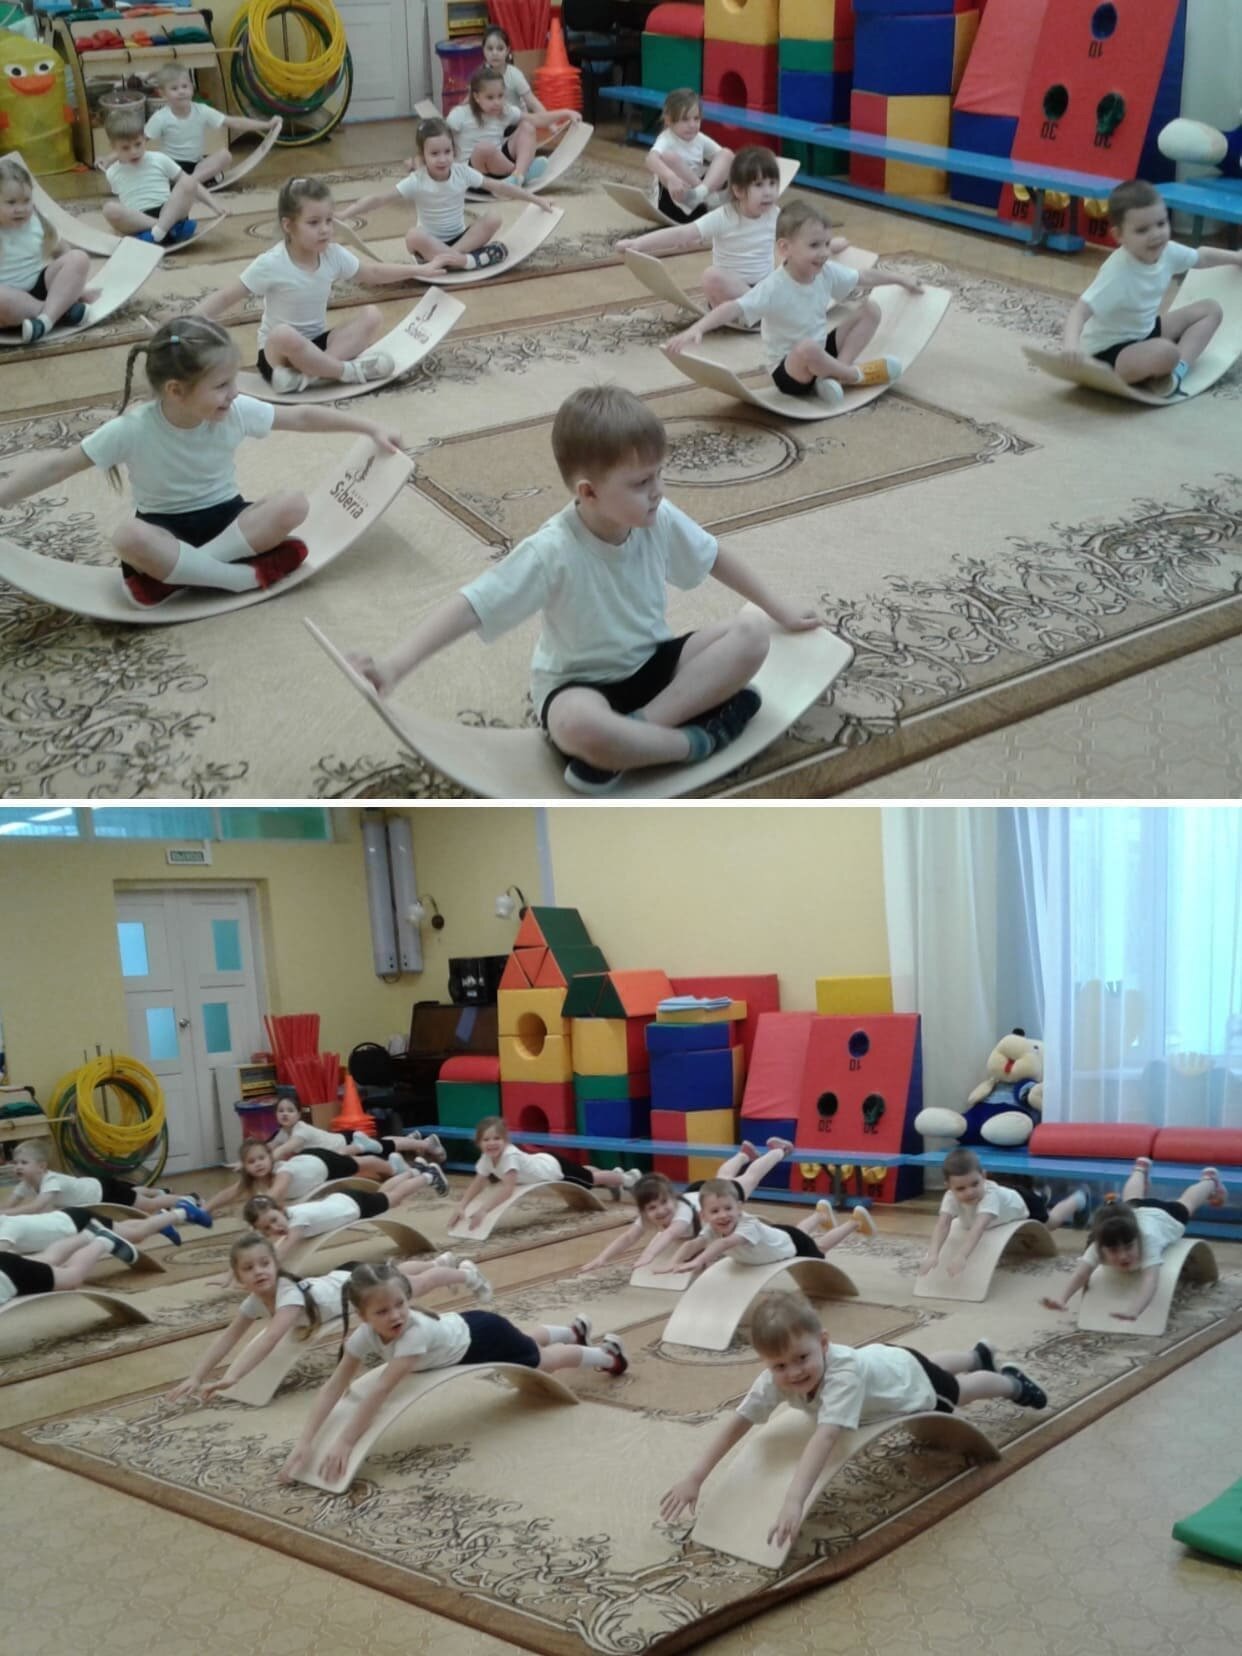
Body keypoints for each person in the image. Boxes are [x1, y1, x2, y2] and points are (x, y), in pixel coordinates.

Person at [347, 383, 823, 794]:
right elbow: (473, 606)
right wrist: (393, 665)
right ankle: (695, 740)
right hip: (581, 687)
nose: (658, 490)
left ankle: (635, 737)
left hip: (654, 665)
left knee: (752, 634)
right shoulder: (551, 550)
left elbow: (713, 555)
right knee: (577, 726)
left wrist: (777, 609)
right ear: (588, 492)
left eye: (659, 473)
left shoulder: (658, 516)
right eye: (641, 482)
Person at [0, 316, 401, 608]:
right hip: (165, 532)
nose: (234, 392)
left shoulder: (235, 410)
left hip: (228, 521)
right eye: (222, 385)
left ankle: (183, 576)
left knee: (293, 504)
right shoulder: (133, 428)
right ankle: (236, 577)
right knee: (127, 538)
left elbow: (301, 417)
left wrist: (369, 427)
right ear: (176, 391)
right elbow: (57, 466)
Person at [659, 1290, 1047, 1549]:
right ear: (766, 1363)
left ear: (824, 1342)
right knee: (931, 1365)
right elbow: (739, 1420)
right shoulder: (775, 1378)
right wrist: (696, 1477)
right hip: (891, 1361)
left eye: (802, 1358)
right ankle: (977, 1354)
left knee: (958, 1391)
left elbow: (826, 1437)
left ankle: (1012, 1383)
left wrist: (794, 1500)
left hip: (904, 1383)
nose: (794, 1372)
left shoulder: (842, 1377)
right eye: (779, 1365)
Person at [278, 1260, 628, 1487]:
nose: (395, 1315)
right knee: (526, 1343)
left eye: (400, 1304)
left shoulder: (413, 1335)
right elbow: (334, 1386)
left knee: (542, 1361)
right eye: (382, 1311)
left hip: (483, 1337)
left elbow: (381, 1392)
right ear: (363, 1316)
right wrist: (306, 1441)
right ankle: (572, 1331)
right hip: (470, 1327)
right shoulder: (364, 1336)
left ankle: (606, 1355)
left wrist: (345, 1441)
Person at [166, 1232, 493, 1403]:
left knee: (414, 1285)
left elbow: (271, 1338)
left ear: (276, 1264)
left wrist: (234, 1376)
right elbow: (229, 1336)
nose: (259, 1271)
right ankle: (439, 1262)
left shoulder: (288, 1296)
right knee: (395, 1273)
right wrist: (197, 1376)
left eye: (265, 1263)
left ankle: (466, 1274)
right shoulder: (256, 1301)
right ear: (239, 1278)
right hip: (342, 1279)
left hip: (351, 1288)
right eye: (249, 1268)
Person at [667, 198, 922, 403]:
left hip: (819, 350)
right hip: (790, 370)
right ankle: (854, 375)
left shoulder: (825, 271)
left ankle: (833, 376)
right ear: (785, 248)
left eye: (826, 244)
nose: (824, 252)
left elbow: (863, 276)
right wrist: (697, 328)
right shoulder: (773, 287)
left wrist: (901, 279)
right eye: (814, 245)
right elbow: (732, 308)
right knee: (807, 348)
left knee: (870, 309)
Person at [195, 176, 418, 395]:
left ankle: (311, 375)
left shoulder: (333, 254)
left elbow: (372, 273)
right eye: (314, 223)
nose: (325, 229)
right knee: (284, 334)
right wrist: (186, 324)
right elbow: (226, 297)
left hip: (315, 346)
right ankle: (347, 371)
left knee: (372, 316)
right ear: (288, 225)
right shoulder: (272, 263)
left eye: (329, 220)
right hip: (277, 357)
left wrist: (418, 270)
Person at [1060, 178, 1242, 397]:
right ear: (1119, 236)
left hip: (1145, 332)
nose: (1155, 234)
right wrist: (1071, 345)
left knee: (1211, 310)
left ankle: (1175, 375)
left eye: (1161, 223)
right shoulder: (1118, 271)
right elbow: (1080, 311)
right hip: (1109, 353)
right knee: (1166, 352)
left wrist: (1236, 258)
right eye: (1142, 230)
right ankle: (1159, 368)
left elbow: (1201, 257)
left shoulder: (1168, 251)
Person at [618, 146, 847, 310]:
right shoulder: (724, 217)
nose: (768, 192)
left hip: (764, 288)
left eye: (772, 184)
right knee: (711, 277)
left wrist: (829, 246)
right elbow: (682, 233)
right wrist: (638, 244)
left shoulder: (775, 214)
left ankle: (762, 309)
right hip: (731, 292)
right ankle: (763, 311)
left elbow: (800, 240)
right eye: (759, 185)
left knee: (794, 262)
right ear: (738, 191)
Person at [350, 114, 553, 278]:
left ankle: (452, 260)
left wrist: (537, 200)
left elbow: (500, 187)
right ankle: (466, 261)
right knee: (413, 235)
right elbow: (380, 199)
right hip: (429, 246)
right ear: (423, 156)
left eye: (447, 152)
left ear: (454, 151)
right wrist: (345, 213)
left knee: (494, 217)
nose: (442, 159)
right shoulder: (417, 180)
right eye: (434, 154)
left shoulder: (461, 172)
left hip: (461, 241)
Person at [1040, 1159, 1225, 1321]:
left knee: (1188, 1202)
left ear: (1137, 1240)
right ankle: (1140, 1169)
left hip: (1166, 1216)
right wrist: (1062, 1299)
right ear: (1102, 1248)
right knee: (1131, 1199)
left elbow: (1151, 1280)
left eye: (1129, 1247)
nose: (1123, 1256)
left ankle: (1209, 1181)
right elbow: (1080, 1274)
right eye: (1114, 1250)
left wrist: (1134, 1310)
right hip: (1135, 1211)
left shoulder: (1148, 1240)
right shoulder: (1099, 1243)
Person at [577, 1139, 796, 1274]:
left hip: (714, 1202)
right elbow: (628, 1237)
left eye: (664, 1203)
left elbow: (670, 1234)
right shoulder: (647, 1216)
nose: (661, 1211)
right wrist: (602, 1257)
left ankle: (780, 1150)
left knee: (750, 1178)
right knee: (724, 1175)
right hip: (703, 1195)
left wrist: (648, 1255)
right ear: (644, 1212)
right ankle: (744, 1154)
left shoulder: (681, 1212)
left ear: (673, 1198)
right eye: (652, 1208)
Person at [448, 1115, 643, 1232]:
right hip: (544, 1161)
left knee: (590, 1179)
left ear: (505, 1140)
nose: (491, 1143)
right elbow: (478, 1182)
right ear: (478, 1143)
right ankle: (614, 1175)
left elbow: (507, 1189)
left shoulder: (509, 1156)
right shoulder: (486, 1158)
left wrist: (484, 1210)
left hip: (553, 1170)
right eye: (486, 1140)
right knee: (583, 1172)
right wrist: (462, 1205)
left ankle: (628, 1178)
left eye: (496, 1138)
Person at [919, 1146, 1089, 1279]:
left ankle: (1079, 1198)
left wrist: (962, 1256)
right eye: (961, 1189)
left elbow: (978, 1227)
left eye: (974, 1184)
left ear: (984, 1176)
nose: (969, 1192)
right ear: (948, 1187)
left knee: (1051, 1222)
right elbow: (943, 1225)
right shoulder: (950, 1196)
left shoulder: (989, 1196)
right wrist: (933, 1254)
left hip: (1023, 1201)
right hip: (1004, 1199)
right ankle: (1042, 1194)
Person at [654, 1177, 875, 1278]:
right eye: (715, 1211)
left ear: (739, 1207)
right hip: (778, 1236)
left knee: (820, 1246)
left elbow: (725, 1243)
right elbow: (694, 1244)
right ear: (703, 1216)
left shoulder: (746, 1225)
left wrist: (698, 1261)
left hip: (791, 1246)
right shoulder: (712, 1228)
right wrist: (672, 1262)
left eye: (728, 1208)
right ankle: (820, 1215)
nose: (723, 1215)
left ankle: (855, 1222)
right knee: (798, 1230)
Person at [0, 1138, 213, 1229]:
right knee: (135, 1193)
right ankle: (156, 1191)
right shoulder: (25, 1183)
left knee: (148, 1206)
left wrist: (6, 1214)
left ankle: (189, 1199)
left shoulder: (51, 1180)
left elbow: (36, 1207)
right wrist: (4, 1213)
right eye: (16, 1163)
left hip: (103, 1191)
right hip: (97, 1188)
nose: (18, 1167)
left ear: (41, 1166)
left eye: (24, 1163)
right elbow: (10, 1205)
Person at [243, 1184, 464, 1266]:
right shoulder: (290, 1216)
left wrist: (264, 1264)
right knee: (385, 1194)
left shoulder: (297, 1223)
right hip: (341, 1199)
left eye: (274, 1221)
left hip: (353, 1206)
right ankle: (412, 1172)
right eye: (267, 1229)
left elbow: (284, 1250)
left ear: (281, 1209)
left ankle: (426, 1176)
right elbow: (271, 1240)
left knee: (393, 1198)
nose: (275, 1229)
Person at [0, 156, 93, 343]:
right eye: (11, 202)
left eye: (26, 201)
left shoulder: (37, 221)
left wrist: (76, 288)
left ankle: (44, 321)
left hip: (38, 286)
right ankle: (59, 312)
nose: (20, 208)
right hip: (8, 303)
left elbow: (63, 252)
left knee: (78, 258)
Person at [142, 63, 279, 187]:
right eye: (174, 88)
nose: (181, 91)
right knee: (156, 163)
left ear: (192, 88)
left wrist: (266, 125)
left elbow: (233, 122)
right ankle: (191, 182)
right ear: (162, 93)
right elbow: (140, 141)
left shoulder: (202, 110)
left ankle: (188, 183)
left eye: (185, 86)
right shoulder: (160, 117)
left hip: (196, 166)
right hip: (172, 168)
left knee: (225, 155)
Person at [99, 106, 219, 245]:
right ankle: (166, 229)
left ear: (144, 139)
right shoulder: (112, 172)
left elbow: (191, 185)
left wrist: (215, 205)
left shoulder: (159, 159)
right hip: (140, 222)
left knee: (188, 181)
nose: (134, 151)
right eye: (125, 148)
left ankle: (160, 230)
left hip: (170, 212)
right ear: (113, 147)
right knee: (109, 209)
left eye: (138, 144)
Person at [447, 65, 579, 190]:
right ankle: (522, 174)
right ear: (476, 97)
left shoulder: (504, 111)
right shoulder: (460, 114)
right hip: (475, 174)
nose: (497, 102)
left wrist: (566, 113)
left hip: (499, 168)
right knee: (484, 148)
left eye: (500, 96)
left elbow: (536, 119)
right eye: (490, 98)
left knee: (527, 126)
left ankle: (517, 175)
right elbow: (443, 138)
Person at [203, 1136, 408, 1215]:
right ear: (245, 1167)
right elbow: (228, 1193)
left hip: (322, 1163)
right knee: (355, 1163)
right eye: (251, 1162)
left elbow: (276, 1193)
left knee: (360, 1164)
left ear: (270, 1158)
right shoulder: (252, 1180)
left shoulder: (282, 1172)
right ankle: (360, 1146)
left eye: (261, 1158)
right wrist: (205, 1209)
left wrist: (257, 1210)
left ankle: (392, 1167)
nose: (258, 1164)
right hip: (306, 1161)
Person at [267, 1093, 446, 1166]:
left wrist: (261, 1164)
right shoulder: (283, 1133)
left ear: (299, 1114)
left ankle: (427, 1143)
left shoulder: (300, 1131)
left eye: (290, 1110)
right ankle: (412, 1140)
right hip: (341, 1143)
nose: (285, 1114)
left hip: (348, 1142)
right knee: (383, 1144)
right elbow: (269, 1147)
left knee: (385, 1146)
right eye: (280, 1111)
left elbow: (282, 1150)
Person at [1, 1226, 147, 1309]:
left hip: (9, 1274)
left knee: (72, 1277)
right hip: (6, 1266)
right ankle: (88, 1235)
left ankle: (103, 1242)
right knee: (49, 1258)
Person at [646, 88, 733, 224]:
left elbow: (727, 160)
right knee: (668, 157)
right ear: (668, 120)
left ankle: (702, 194)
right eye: (685, 119)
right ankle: (704, 196)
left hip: (699, 205)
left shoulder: (699, 138)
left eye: (696, 118)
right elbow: (650, 159)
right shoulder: (666, 138)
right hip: (674, 205)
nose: (692, 125)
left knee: (727, 154)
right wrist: (671, 177)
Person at [0, 1203, 195, 1253]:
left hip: (76, 1223)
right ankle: (158, 1221)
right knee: (119, 1228)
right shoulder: (7, 1225)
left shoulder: (8, 1228)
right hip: (69, 1219)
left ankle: (180, 1212)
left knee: (136, 1236)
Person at [482, 25, 546, 116]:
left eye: (500, 49)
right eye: (490, 48)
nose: (494, 53)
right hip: (493, 121)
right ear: (483, 50)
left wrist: (551, 123)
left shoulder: (514, 74)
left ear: (507, 50)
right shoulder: (480, 75)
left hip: (517, 120)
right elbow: (470, 101)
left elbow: (532, 102)